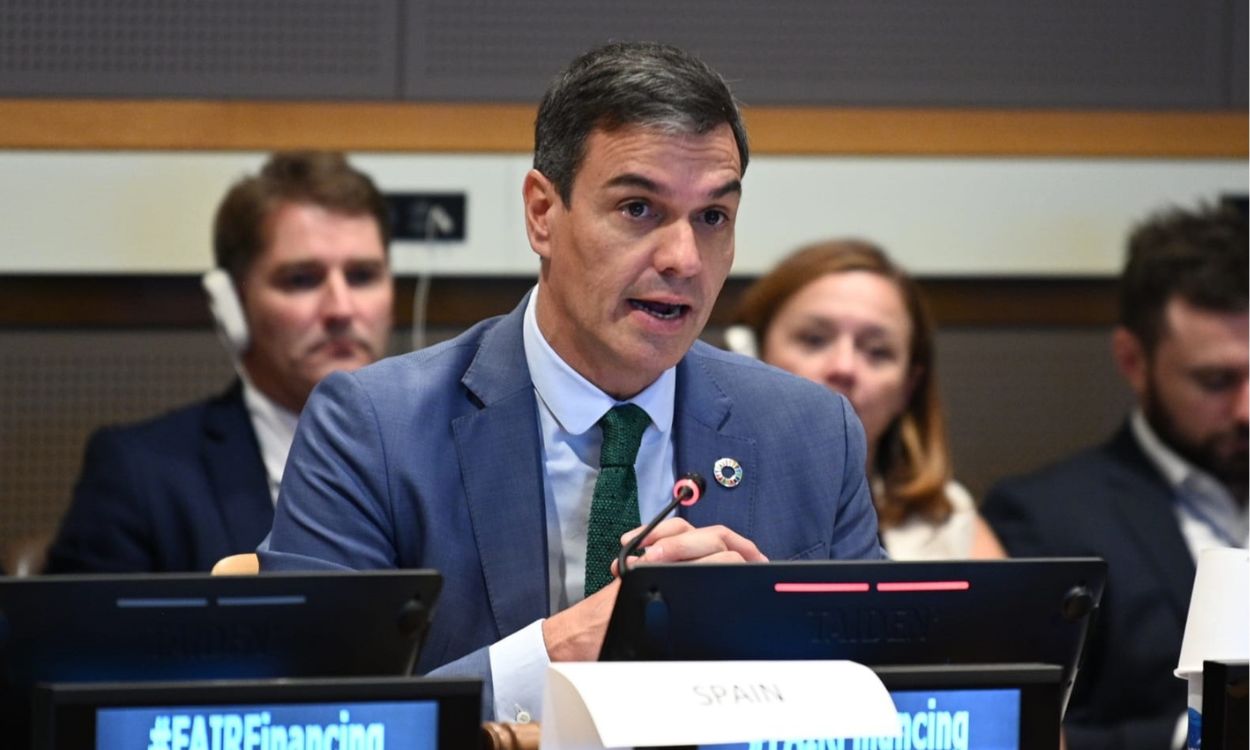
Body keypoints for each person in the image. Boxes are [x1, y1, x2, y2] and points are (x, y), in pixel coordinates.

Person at [261, 42, 884, 722]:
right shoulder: (374, 430)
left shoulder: (812, 433)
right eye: (638, 209)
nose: (683, 259)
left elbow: (893, 693)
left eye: (712, 217)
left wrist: (768, 643)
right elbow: (312, 719)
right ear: (541, 214)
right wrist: (562, 650)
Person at [45, 151, 394, 574]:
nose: (341, 308)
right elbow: (79, 638)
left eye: (362, 276)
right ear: (232, 304)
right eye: (301, 279)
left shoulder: (450, 454)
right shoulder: (140, 474)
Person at [982, 203, 1248, 750]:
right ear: (1133, 360)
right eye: (1216, 381)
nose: (1246, 409)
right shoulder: (1043, 518)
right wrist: (1206, 730)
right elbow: (1025, 730)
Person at [732, 240, 1004, 559]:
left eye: (877, 351)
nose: (844, 367)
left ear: (908, 388)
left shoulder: (944, 518)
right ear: (753, 353)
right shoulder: (695, 487)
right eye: (814, 340)